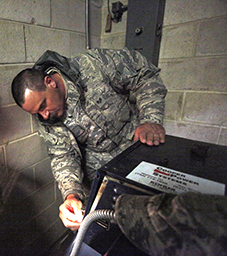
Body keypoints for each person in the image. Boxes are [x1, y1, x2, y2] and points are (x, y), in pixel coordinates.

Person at [11, 48, 167, 230]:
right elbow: (63, 155)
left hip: (136, 147)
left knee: (153, 219)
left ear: (50, 82)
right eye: (37, 113)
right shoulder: (48, 119)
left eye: (43, 105)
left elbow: (144, 74)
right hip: (98, 173)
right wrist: (71, 194)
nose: (44, 116)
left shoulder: (92, 65)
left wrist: (150, 119)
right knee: (108, 230)